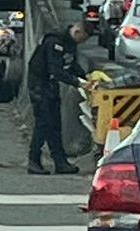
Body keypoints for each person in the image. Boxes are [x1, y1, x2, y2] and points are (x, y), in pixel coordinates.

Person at [25, 21, 91, 175]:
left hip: (51, 85)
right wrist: (78, 83)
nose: (81, 43)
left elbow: (71, 64)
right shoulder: (54, 42)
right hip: (39, 83)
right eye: (82, 39)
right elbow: (55, 69)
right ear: (77, 31)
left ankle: (60, 162)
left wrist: (85, 77)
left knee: (55, 123)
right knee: (43, 123)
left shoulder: (70, 43)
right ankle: (33, 160)